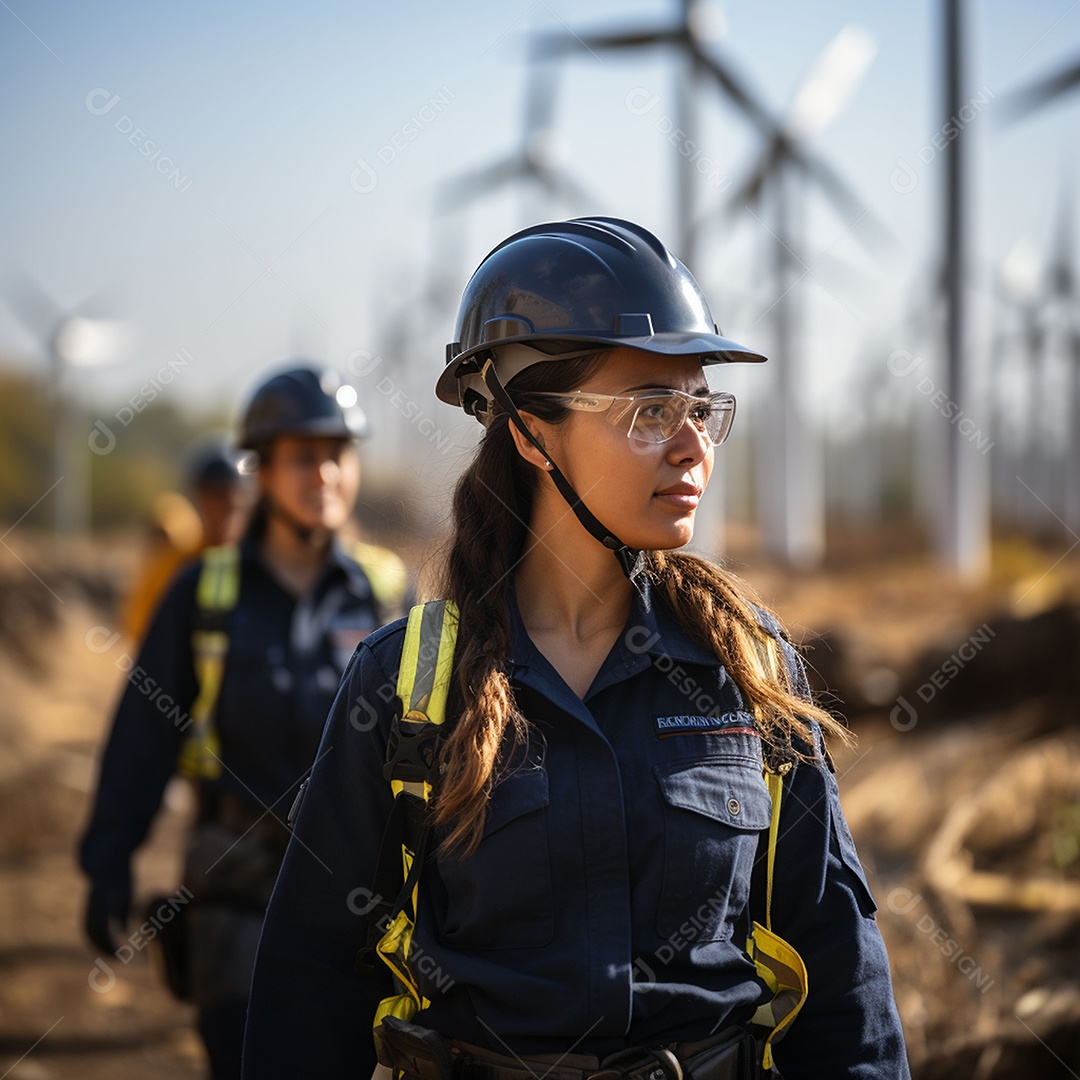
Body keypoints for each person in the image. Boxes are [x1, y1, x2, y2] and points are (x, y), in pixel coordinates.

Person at [242, 220, 910, 1079]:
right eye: (650, 412)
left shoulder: (749, 670)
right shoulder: (408, 686)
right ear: (529, 434)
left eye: (702, 407)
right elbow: (312, 976)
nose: (694, 446)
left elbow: (840, 969)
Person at [79, 364, 410, 1079]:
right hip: (236, 889)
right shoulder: (205, 595)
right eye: (301, 457)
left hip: (359, 901)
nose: (323, 474)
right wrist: (107, 860)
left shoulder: (388, 595)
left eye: (337, 455)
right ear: (259, 470)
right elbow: (142, 736)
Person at [121, 443, 252, 643]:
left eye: (231, 495)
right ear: (198, 498)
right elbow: (140, 623)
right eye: (215, 495)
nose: (225, 506)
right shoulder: (175, 567)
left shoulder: (262, 565)